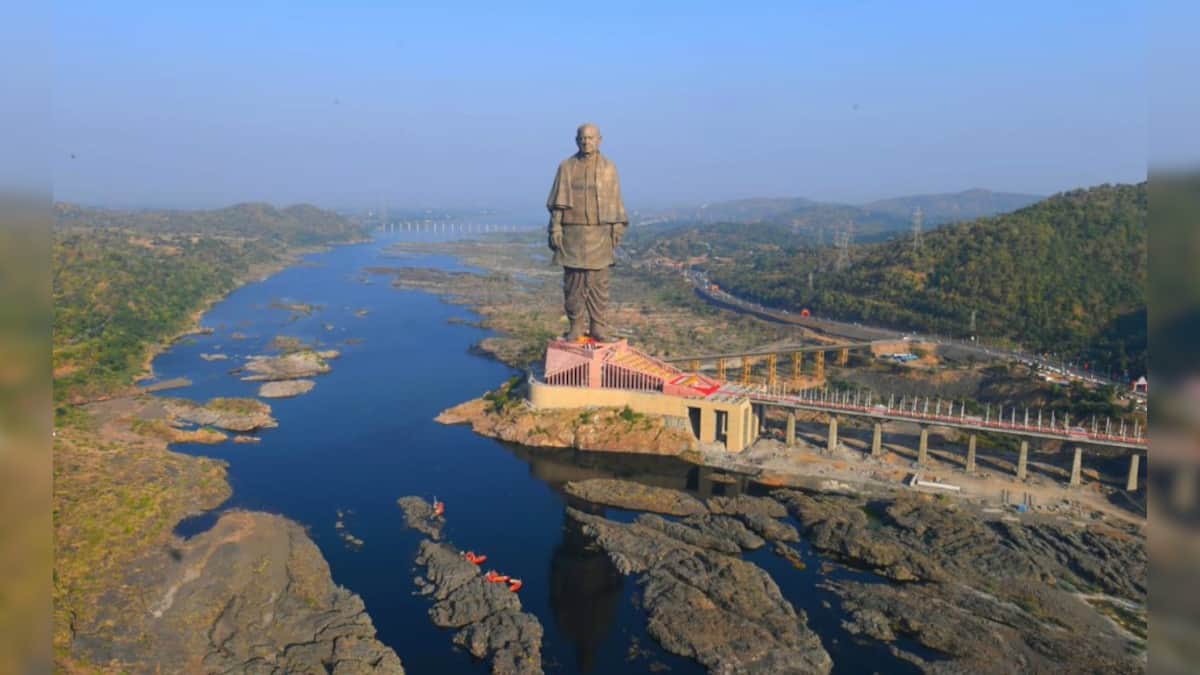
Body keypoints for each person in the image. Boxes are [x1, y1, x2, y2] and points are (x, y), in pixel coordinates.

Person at [546, 123, 628, 342]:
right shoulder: (567, 167)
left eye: (590, 138)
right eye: (582, 138)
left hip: (600, 232)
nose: (586, 142)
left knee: (599, 283)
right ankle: (575, 325)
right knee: (573, 283)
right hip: (573, 232)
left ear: (599, 140)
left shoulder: (609, 167)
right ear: (576, 140)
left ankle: (598, 326)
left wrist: (617, 227)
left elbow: (615, 200)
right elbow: (558, 203)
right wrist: (555, 226)